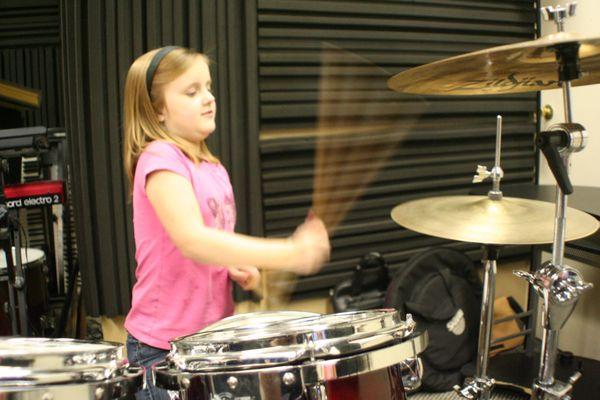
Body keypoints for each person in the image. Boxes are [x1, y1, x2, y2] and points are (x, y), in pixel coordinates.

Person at [122, 46, 330, 400]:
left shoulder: (213, 167)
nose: (208, 99)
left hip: (210, 343)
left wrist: (242, 268)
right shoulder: (161, 159)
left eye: (208, 87)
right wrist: (289, 252)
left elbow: (214, 244)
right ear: (157, 109)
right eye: (191, 92)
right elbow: (192, 240)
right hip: (163, 349)